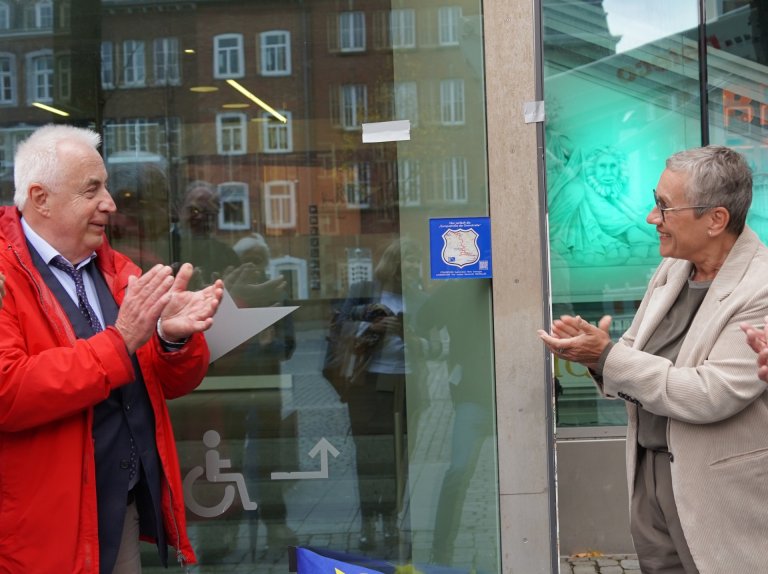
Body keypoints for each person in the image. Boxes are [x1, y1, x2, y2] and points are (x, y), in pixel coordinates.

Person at [0, 124, 224, 573]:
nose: (111, 203)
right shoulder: (5, 276)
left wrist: (172, 338)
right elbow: (9, 392)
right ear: (40, 198)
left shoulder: (116, 270)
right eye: (92, 190)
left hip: (118, 508)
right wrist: (121, 340)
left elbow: (170, 385)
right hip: (42, 528)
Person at [538, 145, 768, 573]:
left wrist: (607, 356)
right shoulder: (674, 268)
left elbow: (709, 394)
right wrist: (594, 353)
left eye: (664, 207)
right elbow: (631, 355)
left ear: (716, 220)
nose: (651, 218)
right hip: (651, 478)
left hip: (719, 493)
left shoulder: (761, 286)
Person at [326, 238, 427, 552]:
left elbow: (435, 346)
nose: (411, 267)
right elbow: (337, 326)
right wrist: (372, 328)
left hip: (407, 383)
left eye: (415, 261)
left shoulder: (421, 299)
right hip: (367, 385)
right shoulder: (365, 291)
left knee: (399, 459)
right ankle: (369, 521)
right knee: (369, 456)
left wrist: (407, 334)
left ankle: (390, 520)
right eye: (406, 260)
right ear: (392, 263)